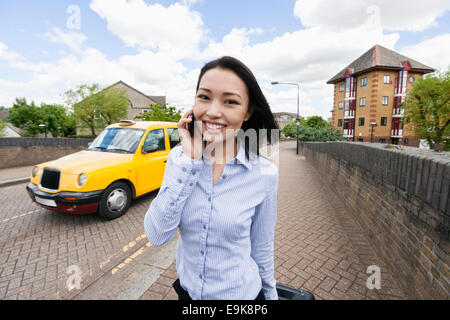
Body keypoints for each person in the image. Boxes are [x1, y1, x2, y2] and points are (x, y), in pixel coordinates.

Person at [144, 56, 279, 300]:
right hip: (189, 296)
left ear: (248, 112)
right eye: (204, 97)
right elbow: (156, 235)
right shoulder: (179, 159)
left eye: (230, 101)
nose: (213, 112)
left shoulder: (264, 174)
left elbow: (262, 247)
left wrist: (270, 297)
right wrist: (191, 161)